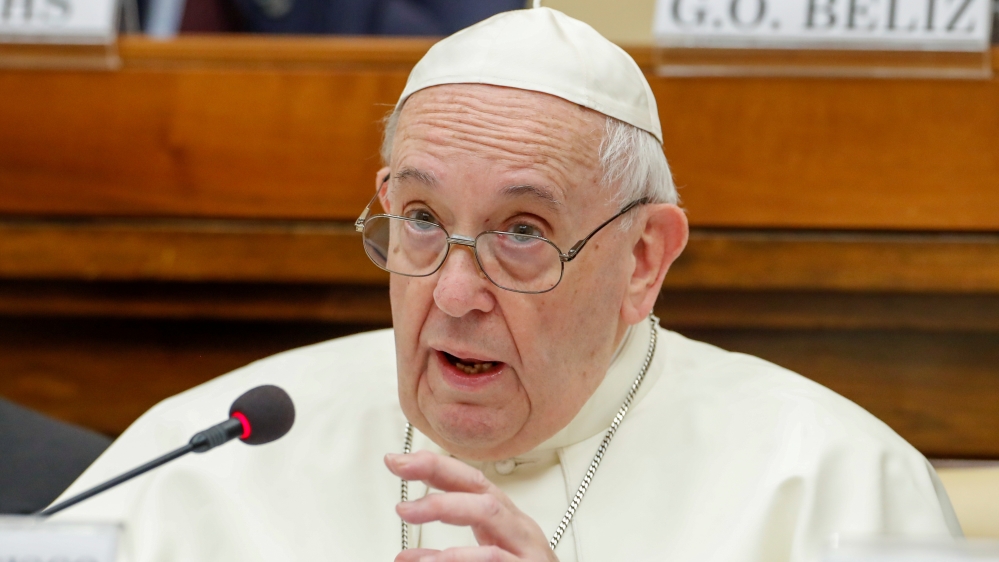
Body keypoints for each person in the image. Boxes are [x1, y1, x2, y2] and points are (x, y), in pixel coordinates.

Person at [52, 7, 961, 562]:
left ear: (643, 258)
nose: (454, 294)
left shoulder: (831, 480)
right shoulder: (210, 452)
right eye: (420, 219)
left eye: (522, 233)